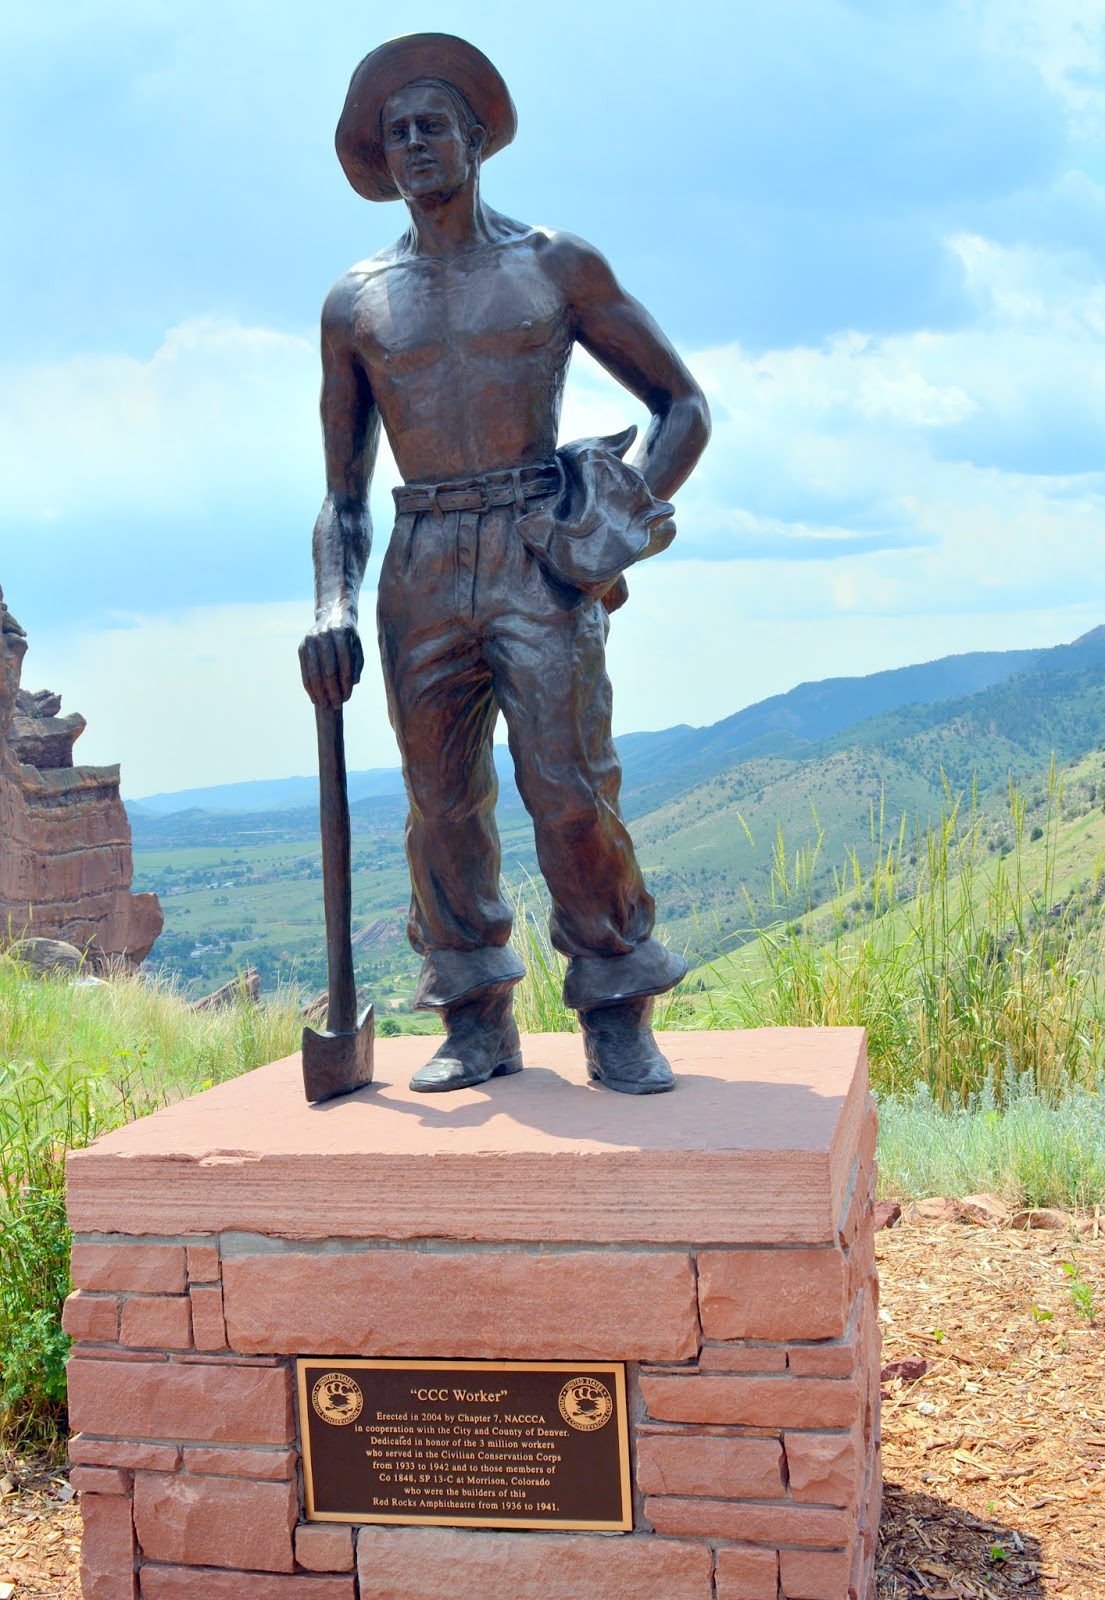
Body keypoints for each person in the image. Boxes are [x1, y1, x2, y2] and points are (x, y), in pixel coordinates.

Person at [299, 34, 710, 1095]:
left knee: (569, 790)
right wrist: (332, 602)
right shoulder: (356, 304)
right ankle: (474, 1012)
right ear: (380, 158)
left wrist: (613, 525)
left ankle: (617, 1001)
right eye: (396, 133)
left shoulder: (553, 264)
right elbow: (342, 493)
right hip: (420, 561)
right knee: (440, 808)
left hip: (537, 553)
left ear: (478, 138)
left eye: (432, 124)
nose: (415, 144)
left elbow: (684, 408)